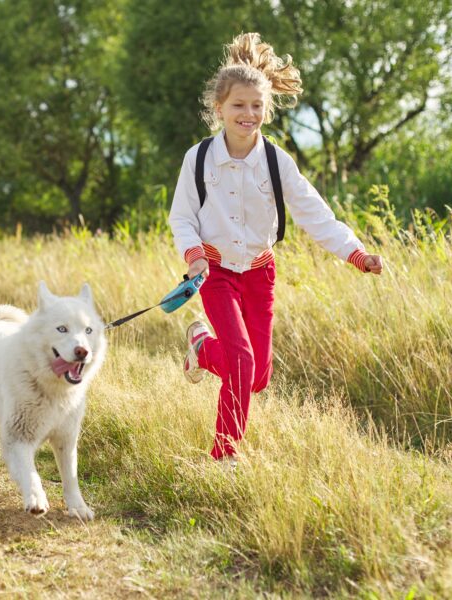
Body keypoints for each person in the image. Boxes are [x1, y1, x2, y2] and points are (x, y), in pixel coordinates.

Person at [168, 33, 383, 464]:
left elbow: (314, 213)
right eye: (238, 106)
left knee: (257, 377)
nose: (248, 114)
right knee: (242, 361)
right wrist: (193, 257)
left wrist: (355, 253)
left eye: (256, 106)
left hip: (260, 273)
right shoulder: (199, 158)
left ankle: (200, 349)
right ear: (219, 109)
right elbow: (182, 218)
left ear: (266, 108)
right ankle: (223, 458)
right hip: (215, 273)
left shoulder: (276, 161)